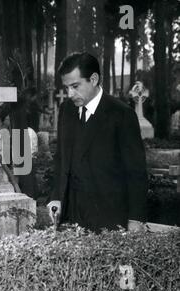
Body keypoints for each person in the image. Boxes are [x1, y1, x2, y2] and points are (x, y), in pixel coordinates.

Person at [47, 52, 148, 232]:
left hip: (109, 217)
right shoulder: (66, 110)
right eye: (67, 87)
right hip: (71, 215)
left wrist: (135, 218)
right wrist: (56, 197)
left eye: (75, 86)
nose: (70, 94)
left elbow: (136, 171)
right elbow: (61, 158)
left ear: (93, 79)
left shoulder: (121, 114)